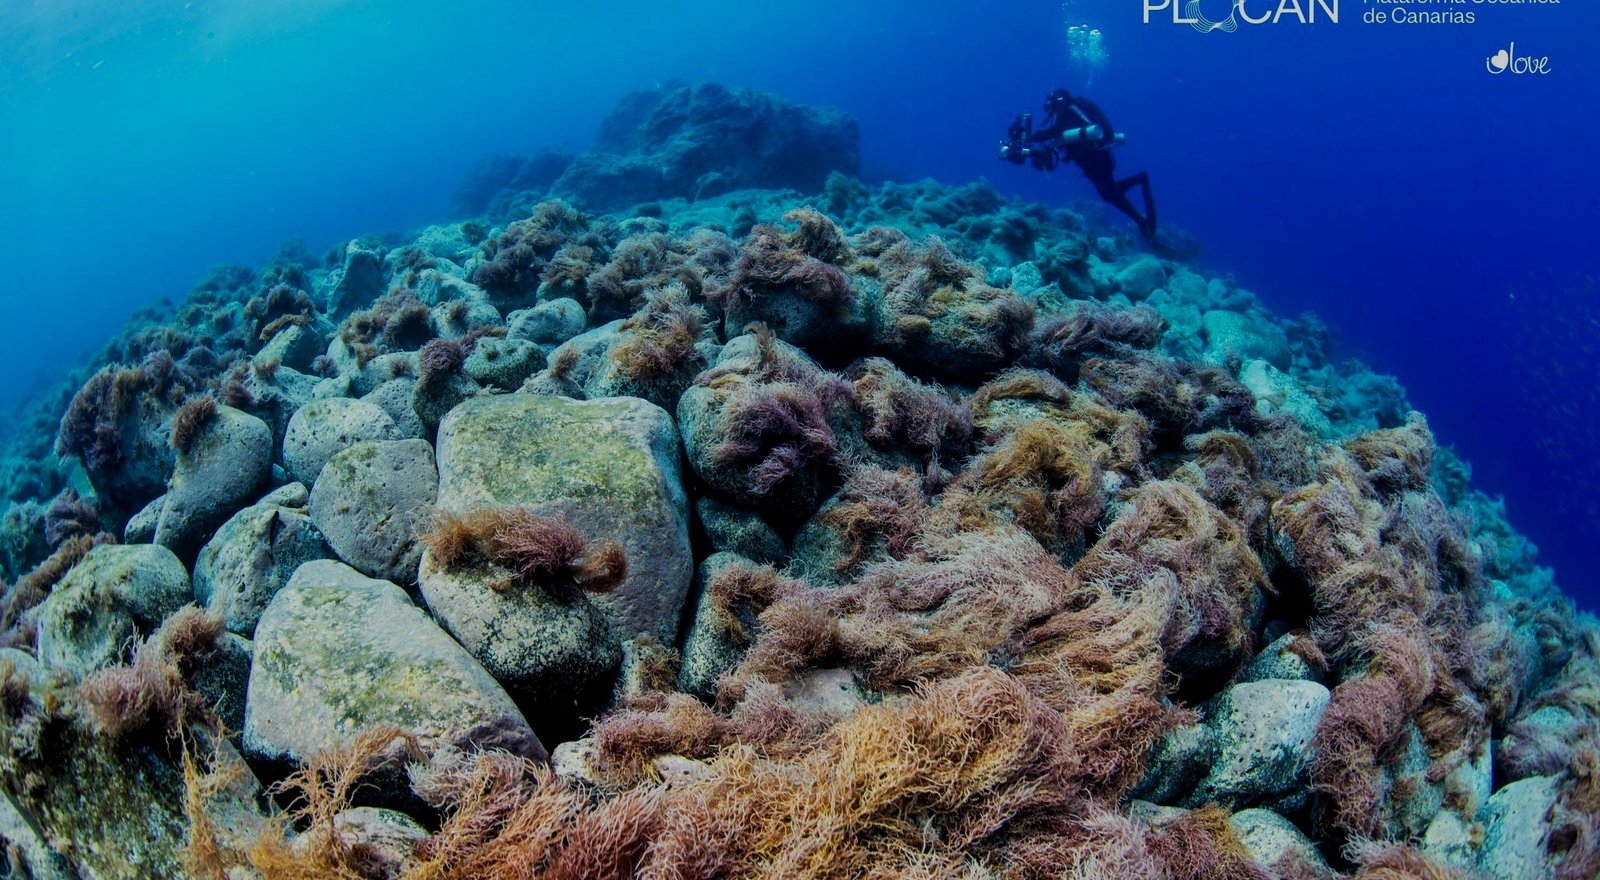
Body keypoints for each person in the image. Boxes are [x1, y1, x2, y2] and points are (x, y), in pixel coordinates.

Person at [1001, 88, 1169, 251]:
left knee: (1109, 193)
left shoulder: (1063, 106)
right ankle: (1141, 214)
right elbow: (1059, 138)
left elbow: (1056, 130)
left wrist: (1033, 136)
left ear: (1056, 99)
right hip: (1097, 157)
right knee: (1109, 193)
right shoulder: (1073, 111)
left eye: (1049, 102)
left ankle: (1141, 215)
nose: (1047, 107)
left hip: (1094, 158)